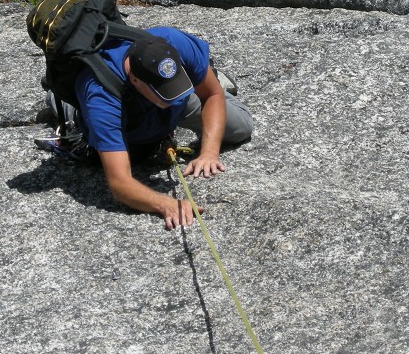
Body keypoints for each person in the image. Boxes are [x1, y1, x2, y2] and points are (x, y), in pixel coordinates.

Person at [43, 27, 253, 230]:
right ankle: (59, 97)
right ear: (135, 80)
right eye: (164, 92)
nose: (173, 95)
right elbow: (120, 183)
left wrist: (209, 153)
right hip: (127, 115)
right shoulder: (102, 98)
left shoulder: (173, 41)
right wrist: (165, 203)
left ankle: (205, 77)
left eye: (176, 84)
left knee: (240, 127)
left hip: (174, 108)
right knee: (134, 155)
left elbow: (211, 95)